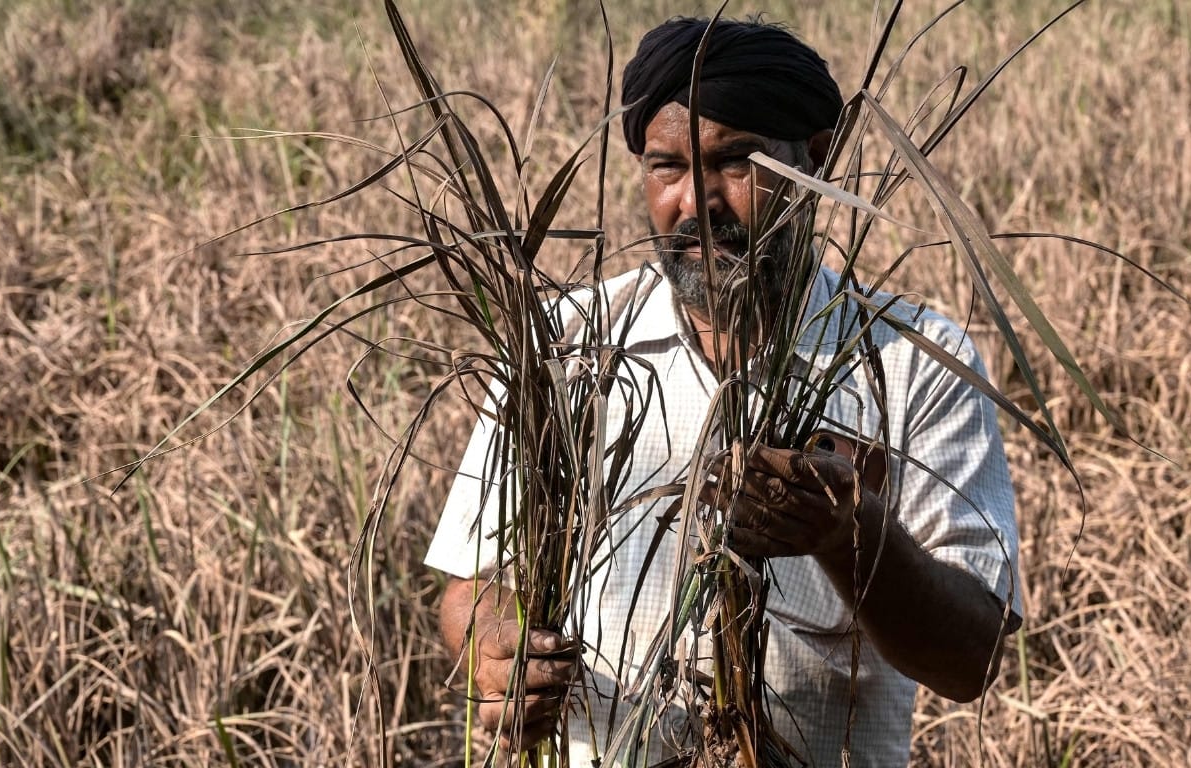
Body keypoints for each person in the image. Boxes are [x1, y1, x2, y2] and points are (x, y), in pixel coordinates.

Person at [425, 16, 1023, 767]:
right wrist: (498, 655)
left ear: (816, 159)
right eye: (666, 168)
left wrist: (848, 532)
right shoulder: (567, 345)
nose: (697, 204)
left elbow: (971, 660)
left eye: (735, 161)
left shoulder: (917, 362)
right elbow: (473, 585)